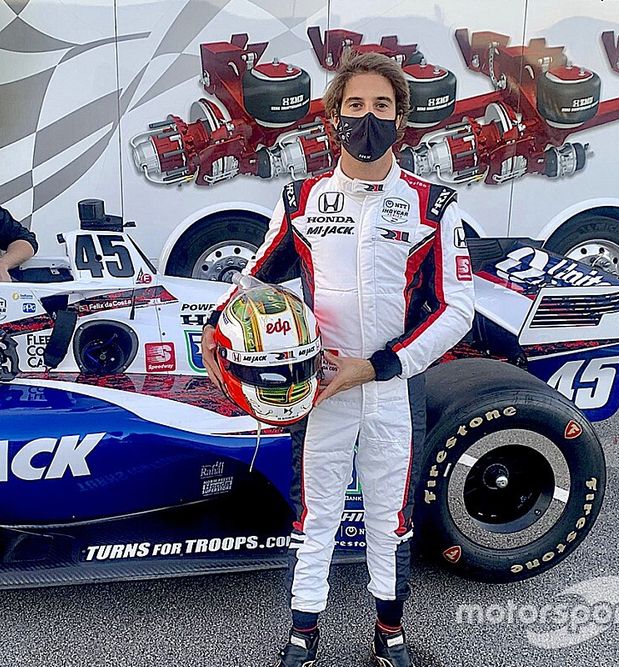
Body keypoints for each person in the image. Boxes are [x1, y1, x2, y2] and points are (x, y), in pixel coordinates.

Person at [202, 52, 475, 666]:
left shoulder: (435, 205)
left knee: (389, 518)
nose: (368, 117)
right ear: (333, 117)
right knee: (317, 513)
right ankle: (303, 634)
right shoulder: (301, 199)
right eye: (355, 105)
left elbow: (457, 309)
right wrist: (218, 336)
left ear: (401, 119)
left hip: (390, 387)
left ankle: (390, 632)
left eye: (382, 106)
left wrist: (380, 366)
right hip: (319, 386)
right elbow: (250, 285)